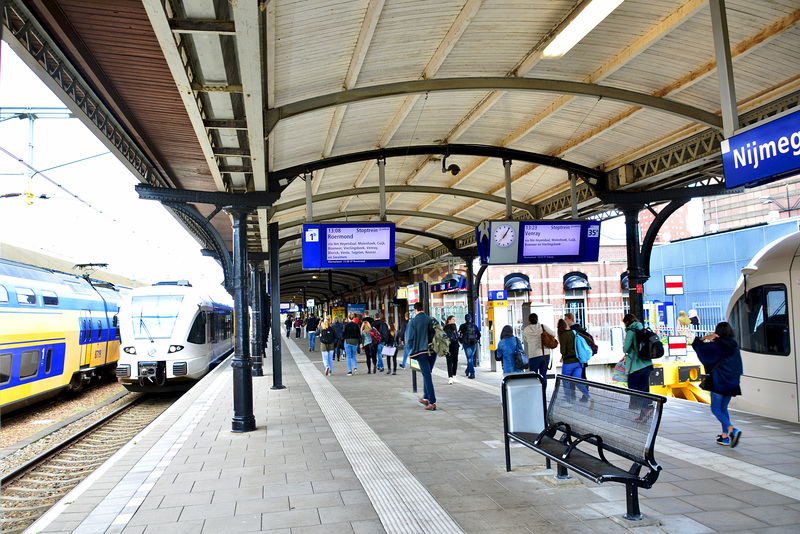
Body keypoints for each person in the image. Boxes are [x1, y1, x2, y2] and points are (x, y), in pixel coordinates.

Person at [692, 322, 743, 447]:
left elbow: (697, 345)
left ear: (717, 332)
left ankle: (732, 430)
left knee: (715, 409)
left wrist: (704, 338)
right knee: (723, 408)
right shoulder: (734, 344)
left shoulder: (717, 346)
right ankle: (725, 437)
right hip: (733, 383)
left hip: (719, 382)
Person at [622, 313, 653, 422]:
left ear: (626, 322)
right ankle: (644, 412)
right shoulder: (643, 329)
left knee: (633, 389)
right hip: (647, 365)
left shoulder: (631, 331)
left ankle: (646, 408)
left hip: (636, 366)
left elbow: (625, 349)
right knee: (642, 389)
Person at [406, 301, 437, 411]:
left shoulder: (413, 322)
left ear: (415, 310)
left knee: (427, 376)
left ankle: (432, 402)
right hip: (433, 352)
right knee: (427, 374)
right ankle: (426, 397)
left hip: (421, 352)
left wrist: (410, 351)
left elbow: (409, 338)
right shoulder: (431, 319)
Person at [557, 319, 591, 404]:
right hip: (578, 362)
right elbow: (588, 339)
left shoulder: (563, 336)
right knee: (578, 381)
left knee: (565, 382)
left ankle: (568, 402)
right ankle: (588, 397)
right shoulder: (574, 332)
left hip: (568, 363)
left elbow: (563, 351)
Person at [522, 313, 556, 389]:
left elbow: (526, 340)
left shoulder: (526, 330)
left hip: (533, 355)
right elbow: (554, 334)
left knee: (534, 375)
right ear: (537, 319)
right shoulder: (543, 327)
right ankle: (543, 392)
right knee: (543, 374)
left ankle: (536, 391)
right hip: (545, 354)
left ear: (529, 320)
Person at [458, 314, 480, 379]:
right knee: (470, 358)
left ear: (465, 319)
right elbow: (479, 334)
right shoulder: (474, 326)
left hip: (466, 344)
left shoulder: (462, 326)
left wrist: (461, 341)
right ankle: (468, 370)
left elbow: (459, 335)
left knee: (469, 358)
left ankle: (472, 373)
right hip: (473, 344)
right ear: (471, 318)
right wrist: (476, 340)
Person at [443, 315, 460, 384]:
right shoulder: (447, 328)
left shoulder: (453, 327)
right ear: (449, 320)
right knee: (450, 361)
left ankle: (453, 376)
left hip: (453, 345)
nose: (454, 321)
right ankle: (451, 377)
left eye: (454, 319)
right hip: (450, 346)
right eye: (453, 319)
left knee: (454, 361)